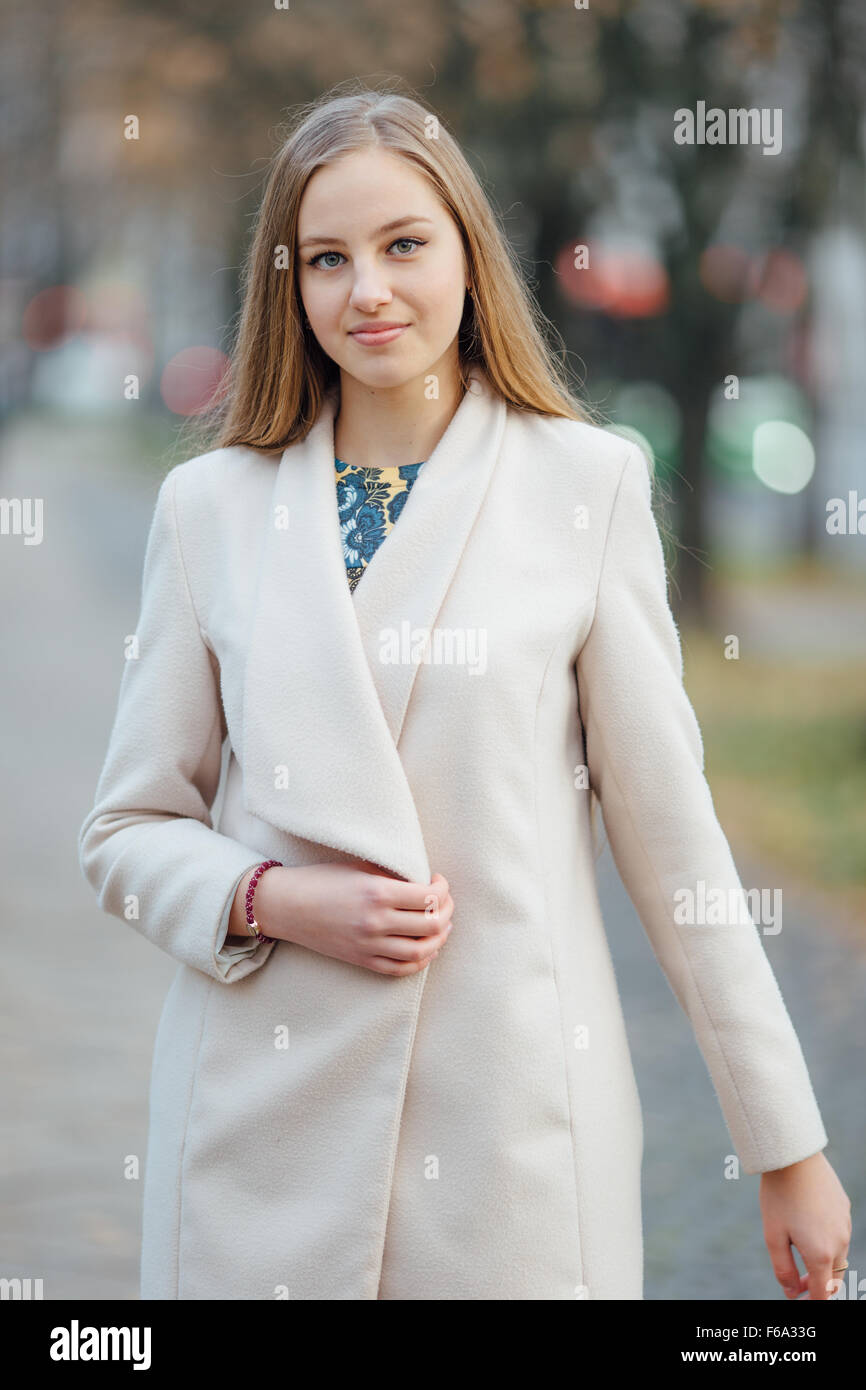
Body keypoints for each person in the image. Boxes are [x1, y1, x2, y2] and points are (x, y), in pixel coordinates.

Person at [78, 81, 850, 1301]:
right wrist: (271, 898)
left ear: (468, 254)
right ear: (287, 282)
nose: (366, 290)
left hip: (507, 1148)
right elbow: (123, 832)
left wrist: (784, 1142)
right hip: (257, 1146)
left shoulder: (583, 487)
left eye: (402, 245)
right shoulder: (207, 510)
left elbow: (674, 845)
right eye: (325, 258)